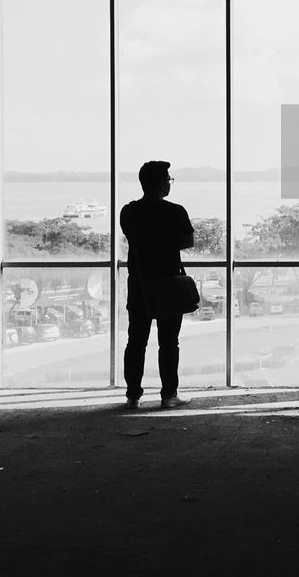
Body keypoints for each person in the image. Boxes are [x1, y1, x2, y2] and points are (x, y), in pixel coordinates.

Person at [120, 160, 194, 410]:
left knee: (136, 341)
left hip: (140, 284)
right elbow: (187, 242)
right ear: (161, 183)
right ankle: (169, 395)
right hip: (168, 283)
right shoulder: (176, 211)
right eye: (168, 179)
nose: (169, 183)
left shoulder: (128, 212)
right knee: (169, 343)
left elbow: (133, 238)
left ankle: (133, 396)